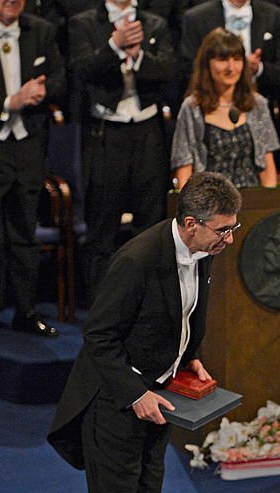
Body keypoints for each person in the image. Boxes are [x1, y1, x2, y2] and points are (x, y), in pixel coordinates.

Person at [47, 172, 239, 493]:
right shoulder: (135, 260)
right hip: (113, 403)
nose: (230, 239)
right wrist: (136, 393)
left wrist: (188, 357)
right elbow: (99, 339)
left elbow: (188, 313)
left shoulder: (202, 252)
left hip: (159, 399)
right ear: (191, 223)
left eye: (234, 228)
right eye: (223, 230)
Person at [67, 0, 176, 303]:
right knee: (102, 225)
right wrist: (114, 47)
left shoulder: (155, 23)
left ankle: (146, 301)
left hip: (148, 133)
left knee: (150, 222)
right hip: (105, 134)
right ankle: (101, 305)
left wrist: (139, 55)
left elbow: (170, 70)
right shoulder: (85, 23)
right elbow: (79, 70)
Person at [0, 0, 65, 339]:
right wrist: (10, 102)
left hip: (29, 147)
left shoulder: (42, 30)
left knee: (25, 232)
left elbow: (63, 80)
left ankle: (26, 311)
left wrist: (44, 90)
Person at [171, 27, 280, 189]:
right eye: (223, 60)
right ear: (207, 64)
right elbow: (184, 166)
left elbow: (267, 165)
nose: (231, 67)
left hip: (252, 201)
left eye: (237, 59)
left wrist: (270, 206)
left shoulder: (257, 104)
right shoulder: (192, 108)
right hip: (209, 204)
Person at [179, 0, 280, 106]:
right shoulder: (196, 18)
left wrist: (258, 68)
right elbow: (189, 67)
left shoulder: (274, 15)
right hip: (209, 104)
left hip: (260, 100)